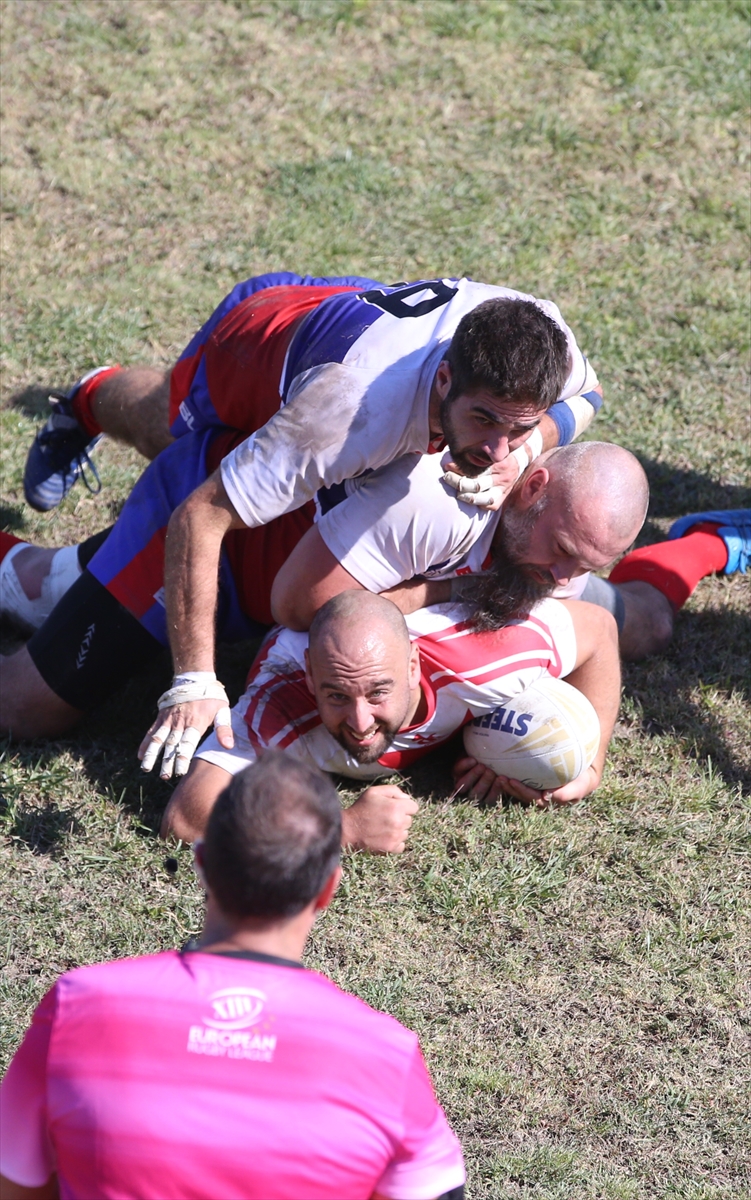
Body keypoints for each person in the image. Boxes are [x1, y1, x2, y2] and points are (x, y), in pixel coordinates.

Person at [22, 271, 602, 760]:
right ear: (445, 378)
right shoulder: (349, 415)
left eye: (519, 428)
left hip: (354, 323)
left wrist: (536, 439)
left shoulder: (540, 337)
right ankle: (89, 396)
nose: (499, 452)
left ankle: (54, 569)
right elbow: (200, 518)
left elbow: (588, 394)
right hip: (262, 345)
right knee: (167, 424)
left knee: (278, 494)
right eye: (484, 421)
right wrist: (195, 680)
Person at [0, 753, 466, 1200]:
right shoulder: (385, 1051)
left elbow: (14, 1180)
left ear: (203, 867)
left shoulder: (78, 1005)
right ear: (328, 887)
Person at [0, 442, 643, 748]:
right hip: (217, 544)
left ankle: (716, 542)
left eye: (588, 564)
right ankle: (86, 403)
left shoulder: (556, 556)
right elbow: (300, 606)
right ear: (532, 490)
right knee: (28, 707)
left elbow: (606, 628)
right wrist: (448, 588)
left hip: (292, 539)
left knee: (645, 621)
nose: (564, 578)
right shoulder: (432, 505)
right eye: (562, 554)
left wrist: (563, 755)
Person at [161, 588, 621, 848]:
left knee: (646, 623)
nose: (360, 722)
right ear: (309, 674)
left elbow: (599, 629)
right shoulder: (281, 702)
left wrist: (591, 768)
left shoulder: (488, 655)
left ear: (413, 665)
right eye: (337, 695)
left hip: (480, 578)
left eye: (379, 692)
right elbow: (186, 818)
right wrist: (344, 828)